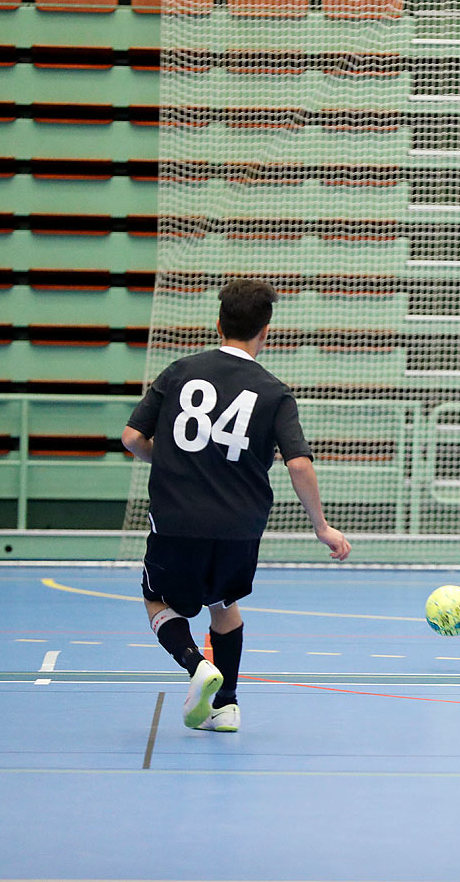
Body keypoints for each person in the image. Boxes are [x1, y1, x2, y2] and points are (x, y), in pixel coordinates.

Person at [122, 278, 351, 733]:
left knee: (154, 598)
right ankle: (226, 706)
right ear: (265, 330)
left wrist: (168, 460)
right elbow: (299, 463)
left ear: (218, 323)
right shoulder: (274, 391)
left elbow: (131, 438)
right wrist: (322, 526)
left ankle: (195, 664)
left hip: (176, 519)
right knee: (224, 605)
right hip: (240, 527)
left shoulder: (179, 371)